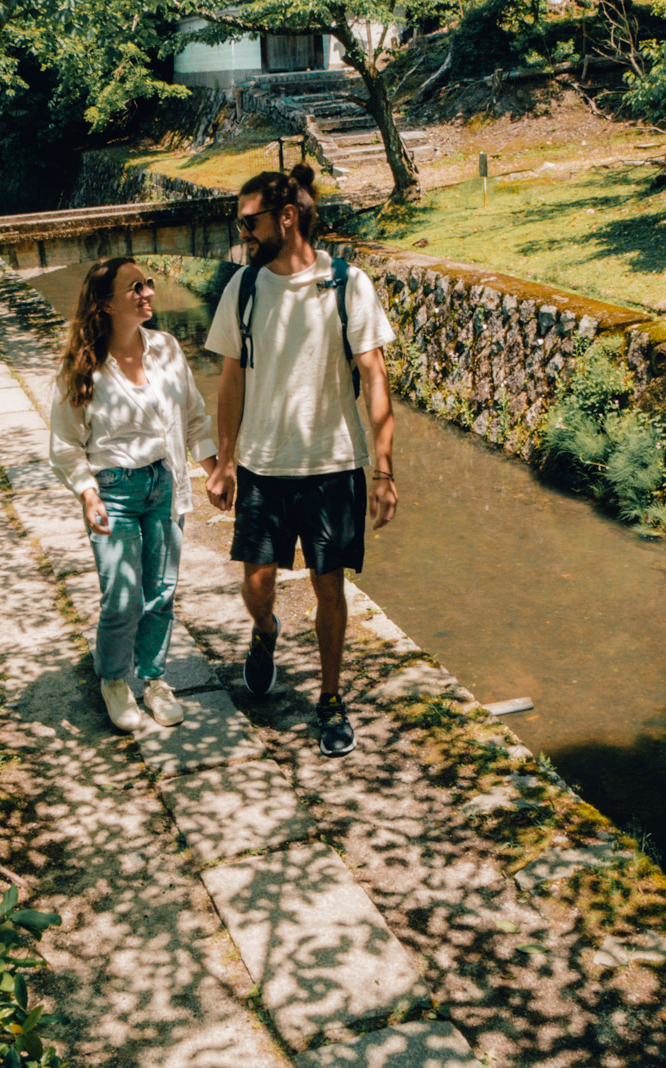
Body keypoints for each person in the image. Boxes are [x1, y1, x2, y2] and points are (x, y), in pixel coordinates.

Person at [202, 165, 399, 758]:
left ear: (286, 218)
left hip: (333, 466)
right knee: (257, 583)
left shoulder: (347, 284)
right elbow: (231, 378)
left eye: (250, 222)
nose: (244, 235)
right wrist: (225, 460)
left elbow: (375, 377)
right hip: (263, 467)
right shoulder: (243, 288)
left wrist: (385, 470)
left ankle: (331, 701)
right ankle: (265, 633)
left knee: (328, 586)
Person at [50, 257, 218, 732]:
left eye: (147, 283)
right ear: (105, 304)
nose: (147, 292)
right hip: (114, 491)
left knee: (160, 592)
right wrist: (87, 493)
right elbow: (65, 443)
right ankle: (113, 679)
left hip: (165, 483)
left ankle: (154, 679)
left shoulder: (165, 348)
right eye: (134, 288)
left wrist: (214, 470)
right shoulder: (83, 366)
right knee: (122, 595)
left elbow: (194, 416)